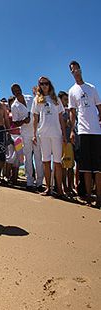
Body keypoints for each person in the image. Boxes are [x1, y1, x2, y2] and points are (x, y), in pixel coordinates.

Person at [68, 60, 101, 207]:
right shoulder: (72, 91)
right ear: (71, 73)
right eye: (73, 70)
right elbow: (72, 113)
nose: (76, 72)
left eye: (77, 69)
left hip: (96, 132)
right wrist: (72, 131)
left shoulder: (92, 88)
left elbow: (99, 107)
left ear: (81, 70)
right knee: (86, 166)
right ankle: (88, 196)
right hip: (82, 131)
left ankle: (99, 197)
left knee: (98, 167)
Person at [31, 76, 66, 197]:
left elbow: (61, 118)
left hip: (56, 134)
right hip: (43, 134)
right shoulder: (37, 100)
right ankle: (48, 188)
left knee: (57, 162)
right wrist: (34, 134)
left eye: (46, 83)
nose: (44, 86)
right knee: (46, 161)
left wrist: (64, 134)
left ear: (49, 85)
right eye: (41, 84)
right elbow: (35, 118)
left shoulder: (56, 99)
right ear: (39, 86)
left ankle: (60, 189)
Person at [10, 83, 44, 191]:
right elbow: (15, 123)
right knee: (28, 158)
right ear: (13, 93)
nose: (17, 91)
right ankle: (29, 182)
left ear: (20, 89)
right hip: (25, 133)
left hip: (36, 131)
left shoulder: (30, 98)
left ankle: (39, 183)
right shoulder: (14, 106)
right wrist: (23, 121)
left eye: (18, 89)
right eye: (14, 91)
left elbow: (38, 111)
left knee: (38, 157)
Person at [58, 91, 75, 196]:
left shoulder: (70, 111)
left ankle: (71, 186)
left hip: (69, 141)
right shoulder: (59, 111)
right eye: (65, 99)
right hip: (61, 141)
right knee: (63, 165)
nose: (67, 101)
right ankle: (64, 186)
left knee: (70, 165)